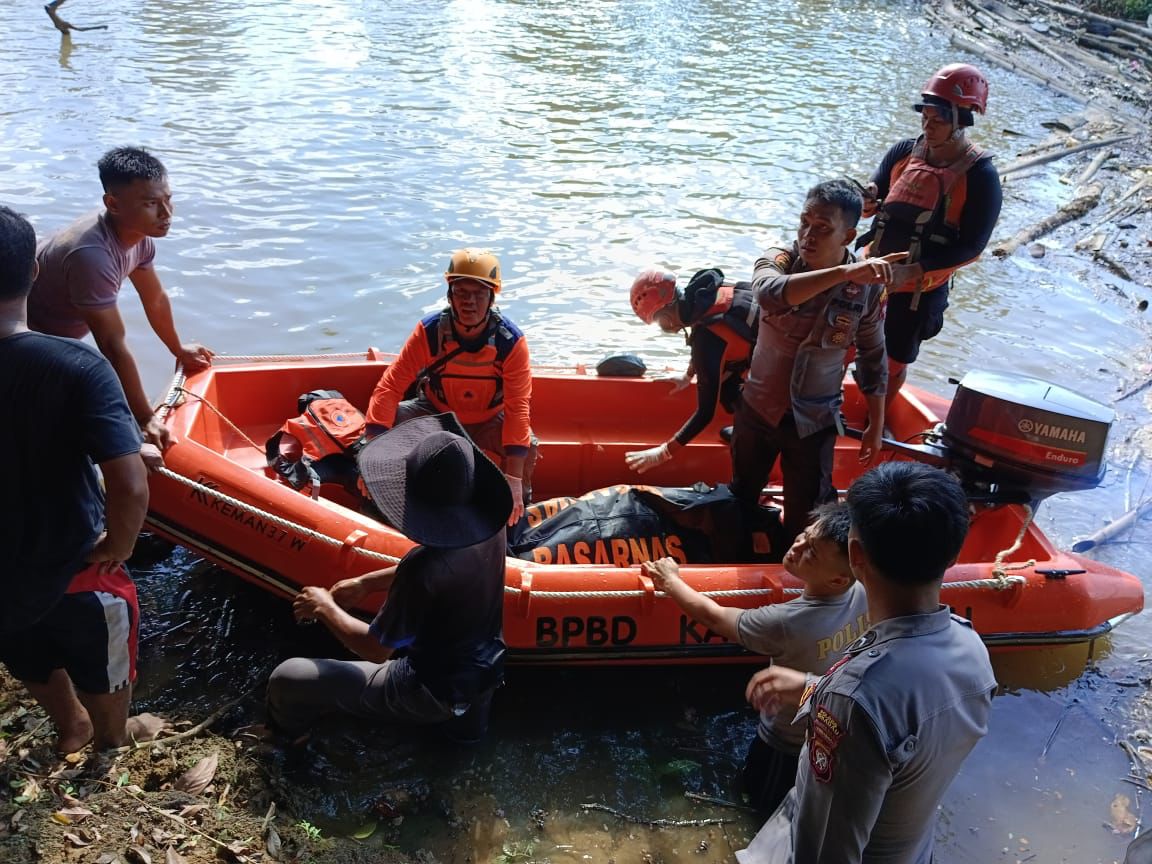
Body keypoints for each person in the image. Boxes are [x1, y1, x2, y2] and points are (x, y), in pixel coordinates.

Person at [737, 461, 997, 864]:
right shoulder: (971, 649)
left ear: (855, 556)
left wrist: (827, 697)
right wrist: (814, 689)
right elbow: (897, 735)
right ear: (951, 555)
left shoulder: (852, 699)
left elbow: (825, 849)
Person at [0, 205, 166, 752]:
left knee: (24, 649)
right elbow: (130, 484)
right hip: (73, 565)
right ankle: (111, 744)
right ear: (34, 273)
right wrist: (116, 544)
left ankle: (69, 726)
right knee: (103, 663)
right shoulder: (77, 367)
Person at [266, 412, 513, 744]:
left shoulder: (422, 569)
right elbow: (444, 570)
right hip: (485, 670)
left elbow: (376, 648)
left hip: (430, 688)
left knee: (287, 677)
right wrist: (367, 583)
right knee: (458, 744)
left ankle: (284, 739)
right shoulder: (489, 525)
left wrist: (324, 607)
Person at [642, 501, 866, 815]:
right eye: (803, 535)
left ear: (838, 579)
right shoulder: (867, 592)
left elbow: (716, 617)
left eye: (812, 552)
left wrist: (670, 581)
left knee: (759, 805)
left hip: (783, 743)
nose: (798, 545)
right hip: (832, 735)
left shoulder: (787, 622)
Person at [731, 179, 902, 550]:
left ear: (849, 235)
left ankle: (794, 582)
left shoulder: (867, 286)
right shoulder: (778, 259)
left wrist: (875, 423)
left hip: (814, 419)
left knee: (807, 517)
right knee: (739, 497)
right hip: (758, 407)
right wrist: (845, 273)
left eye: (823, 228)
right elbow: (768, 293)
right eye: (804, 222)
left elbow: (873, 356)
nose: (808, 235)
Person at [27, 146, 214, 449]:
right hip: (28, 337)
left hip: (58, 331)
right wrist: (144, 417)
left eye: (168, 200)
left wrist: (177, 349)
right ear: (113, 204)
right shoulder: (93, 256)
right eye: (151, 203)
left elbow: (154, 298)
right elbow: (113, 346)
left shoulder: (137, 234)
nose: (166, 214)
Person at [859, 63, 1003, 409]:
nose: (928, 124)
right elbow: (877, 197)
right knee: (839, 341)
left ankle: (874, 419)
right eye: (925, 115)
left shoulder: (981, 176)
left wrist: (914, 270)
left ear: (962, 120)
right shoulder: (903, 152)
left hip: (918, 291)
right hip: (868, 274)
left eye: (938, 118)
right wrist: (867, 199)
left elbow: (972, 247)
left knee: (894, 357)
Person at [365, 248, 535, 525]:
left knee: (529, 445)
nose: (470, 302)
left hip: (491, 419)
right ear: (450, 295)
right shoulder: (430, 331)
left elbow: (518, 408)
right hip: (437, 414)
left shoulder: (511, 342)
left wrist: (514, 478)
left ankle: (515, 514)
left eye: (479, 294)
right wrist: (372, 453)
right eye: (461, 292)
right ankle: (383, 505)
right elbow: (390, 387)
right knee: (389, 423)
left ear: (492, 297)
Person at [624, 267, 757, 474]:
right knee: (725, 379)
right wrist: (688, 376)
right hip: (782, 344)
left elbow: (706, 413)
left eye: (659, 323)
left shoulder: (706, 341)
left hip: (787, 370)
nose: (664, 329)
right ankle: (751, 427)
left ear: (666, 316)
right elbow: (710, 333)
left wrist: (664, 452)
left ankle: (756, 435)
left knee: (726, 387)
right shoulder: (705, 295)